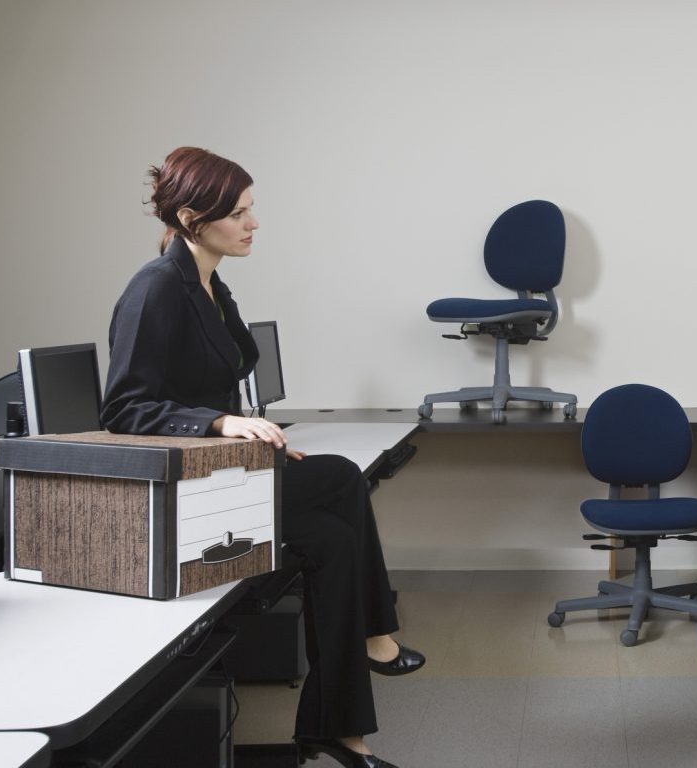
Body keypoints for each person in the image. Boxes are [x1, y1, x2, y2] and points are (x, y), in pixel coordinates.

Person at [101, 147, 424, 768]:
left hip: (225, 471)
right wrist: (223, 422)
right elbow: (123, 410)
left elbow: (229, 366)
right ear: (194, 217)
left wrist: (259, 434)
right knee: (339, 478)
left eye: (252, 211)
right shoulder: (155, 288)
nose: (253, 224)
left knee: (332, 540)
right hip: (188, 489)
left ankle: (340, 732)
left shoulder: (207, 283)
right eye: (240, 214)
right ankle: (373, 638)